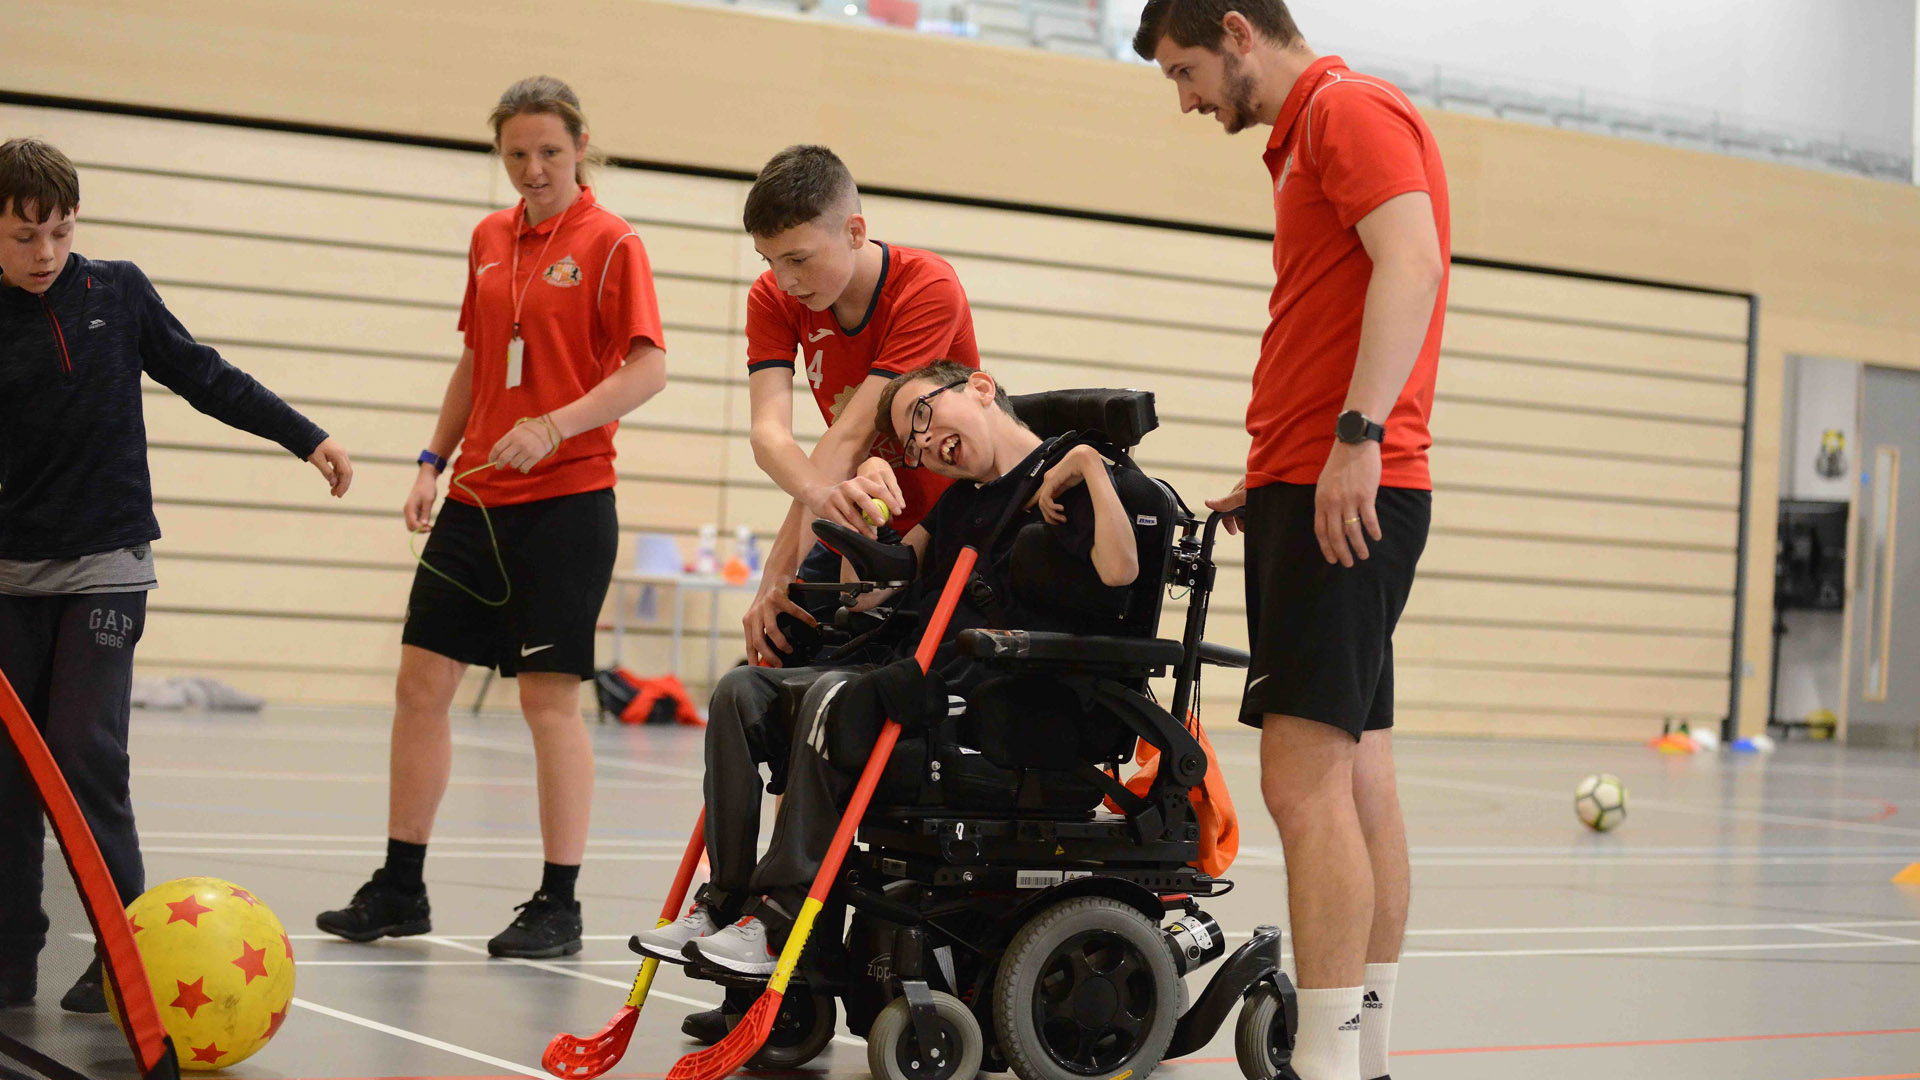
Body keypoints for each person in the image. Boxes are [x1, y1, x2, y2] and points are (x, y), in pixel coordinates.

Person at [1134, 4, 1449, 1079]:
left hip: (1344, 487)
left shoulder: (1346, 111)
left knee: (1303, 787)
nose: (1186, 100)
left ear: (1238, 31)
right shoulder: (1308, 133)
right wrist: (1276, 471)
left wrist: (1354, 439)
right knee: (1356, 779)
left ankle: (1324, 1062)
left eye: (1186, 72)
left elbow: (1413, 263)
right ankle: (1364, 1056)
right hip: (1308, 483)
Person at [634, 361, 1164, 981]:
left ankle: (781, 919)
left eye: (923, 415)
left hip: (996, 709)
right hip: (918, 686)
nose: (925, 445)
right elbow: (871, 594)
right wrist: (864, 504)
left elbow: (1122, 572)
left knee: (833, 697)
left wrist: (1091, 466)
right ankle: (725, 902)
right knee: (740, 692)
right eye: (913, 445)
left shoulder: (1072, 479)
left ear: (980, 387)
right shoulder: (960, 503)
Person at [316, 75, 668, 959]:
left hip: (567, 504)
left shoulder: (613, 243)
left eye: (548, 151)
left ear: (579, 147)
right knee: (419, 686)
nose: (533, 168)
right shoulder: (488, 238)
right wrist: (431, 461)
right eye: (516, 153)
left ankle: (558, 903)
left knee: (547, 702)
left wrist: (555, 425)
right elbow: (477, 361)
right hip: (474, 499)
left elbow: (647, 369)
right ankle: (400, 886)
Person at [0, 137, 353, 1012]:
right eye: (23, 236)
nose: (46, 253)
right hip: (9, 577)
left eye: (60, 231)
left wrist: (305, 436)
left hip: (106, 565)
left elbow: (204, 375)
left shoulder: (117, 292)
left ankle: (122, 953)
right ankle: (10, 957)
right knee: (9, 774)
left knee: (83, 749)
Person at [735, 145, 981, 668]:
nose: (784, 280)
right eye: (769, 260)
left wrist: (781, 568)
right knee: (774, 661)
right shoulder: (772, 297)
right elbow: (768, 436)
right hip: (856, 513)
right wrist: (778, 574)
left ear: (854, 231)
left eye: (798, 259)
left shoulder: (927, 286)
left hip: (945, 526)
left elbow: (849, 438)